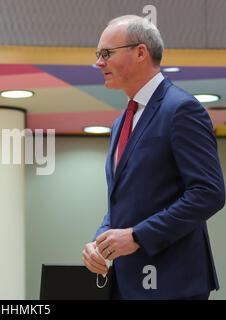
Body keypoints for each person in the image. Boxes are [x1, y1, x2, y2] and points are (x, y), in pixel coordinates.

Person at [82, 15, 225, 299]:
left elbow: (209, 192)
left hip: (172, 284)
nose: (99, 62)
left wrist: (137, 236)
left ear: (140, 52)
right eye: (98, 55)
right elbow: (125, 201)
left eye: (106, 53)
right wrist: (101, 240)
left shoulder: (181, 109)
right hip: (127, 283)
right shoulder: (121, 121)